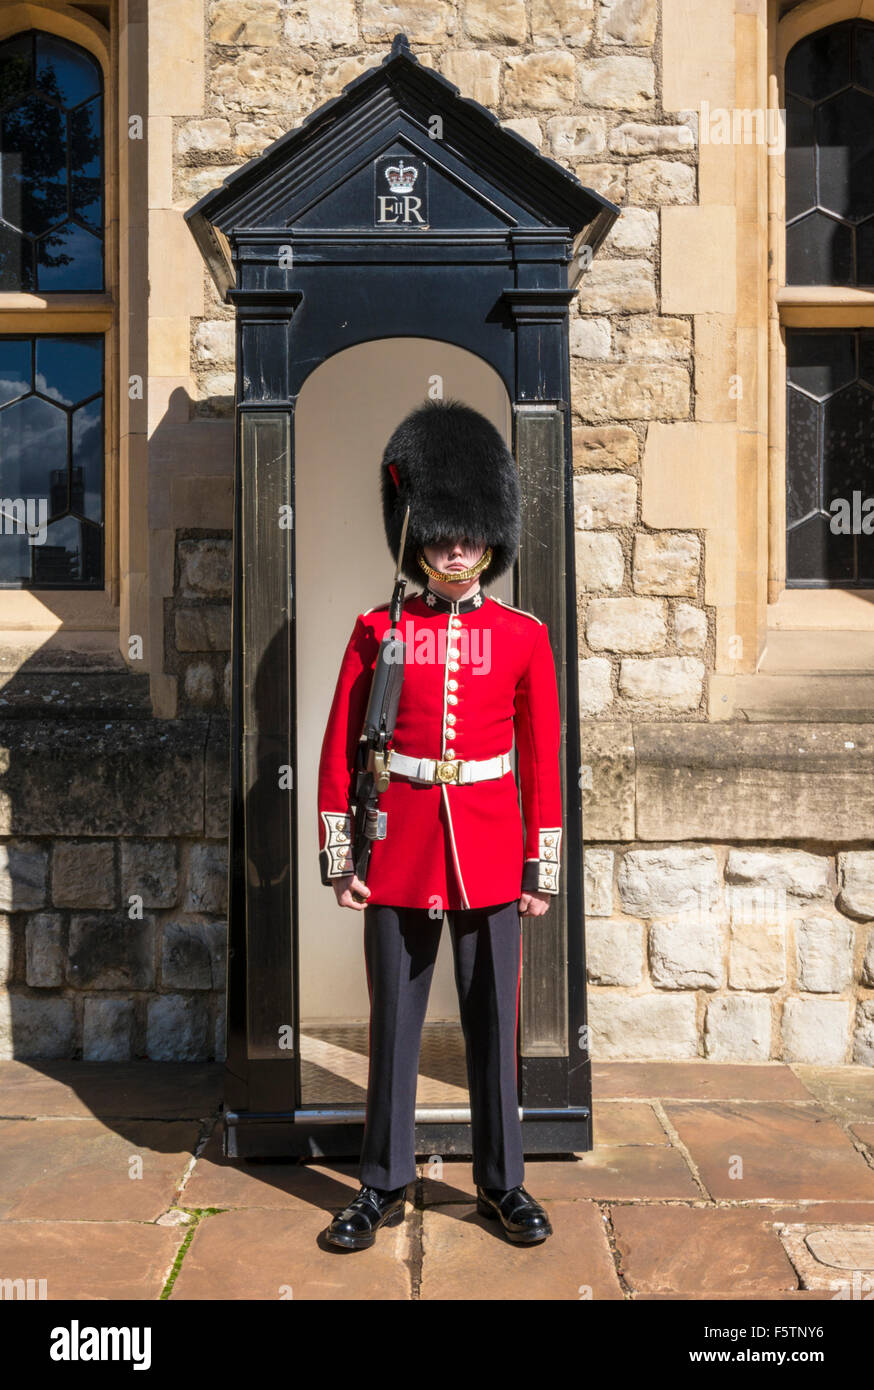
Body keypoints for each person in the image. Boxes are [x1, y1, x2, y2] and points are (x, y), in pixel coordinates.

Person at [317, 398, 563, 1251]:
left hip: (492, 852)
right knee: (395, 1023)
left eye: (469, 535)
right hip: (397, 850)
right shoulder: (376, 631)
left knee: (494, 1025)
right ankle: (380, 1183)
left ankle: (504, 1182)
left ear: (490, 539)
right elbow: (339, 751)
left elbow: (541, 762)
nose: (456, 550)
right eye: (442, 534)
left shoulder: (523, 638)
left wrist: (543, 867)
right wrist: (343, 855)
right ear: (418, 537)